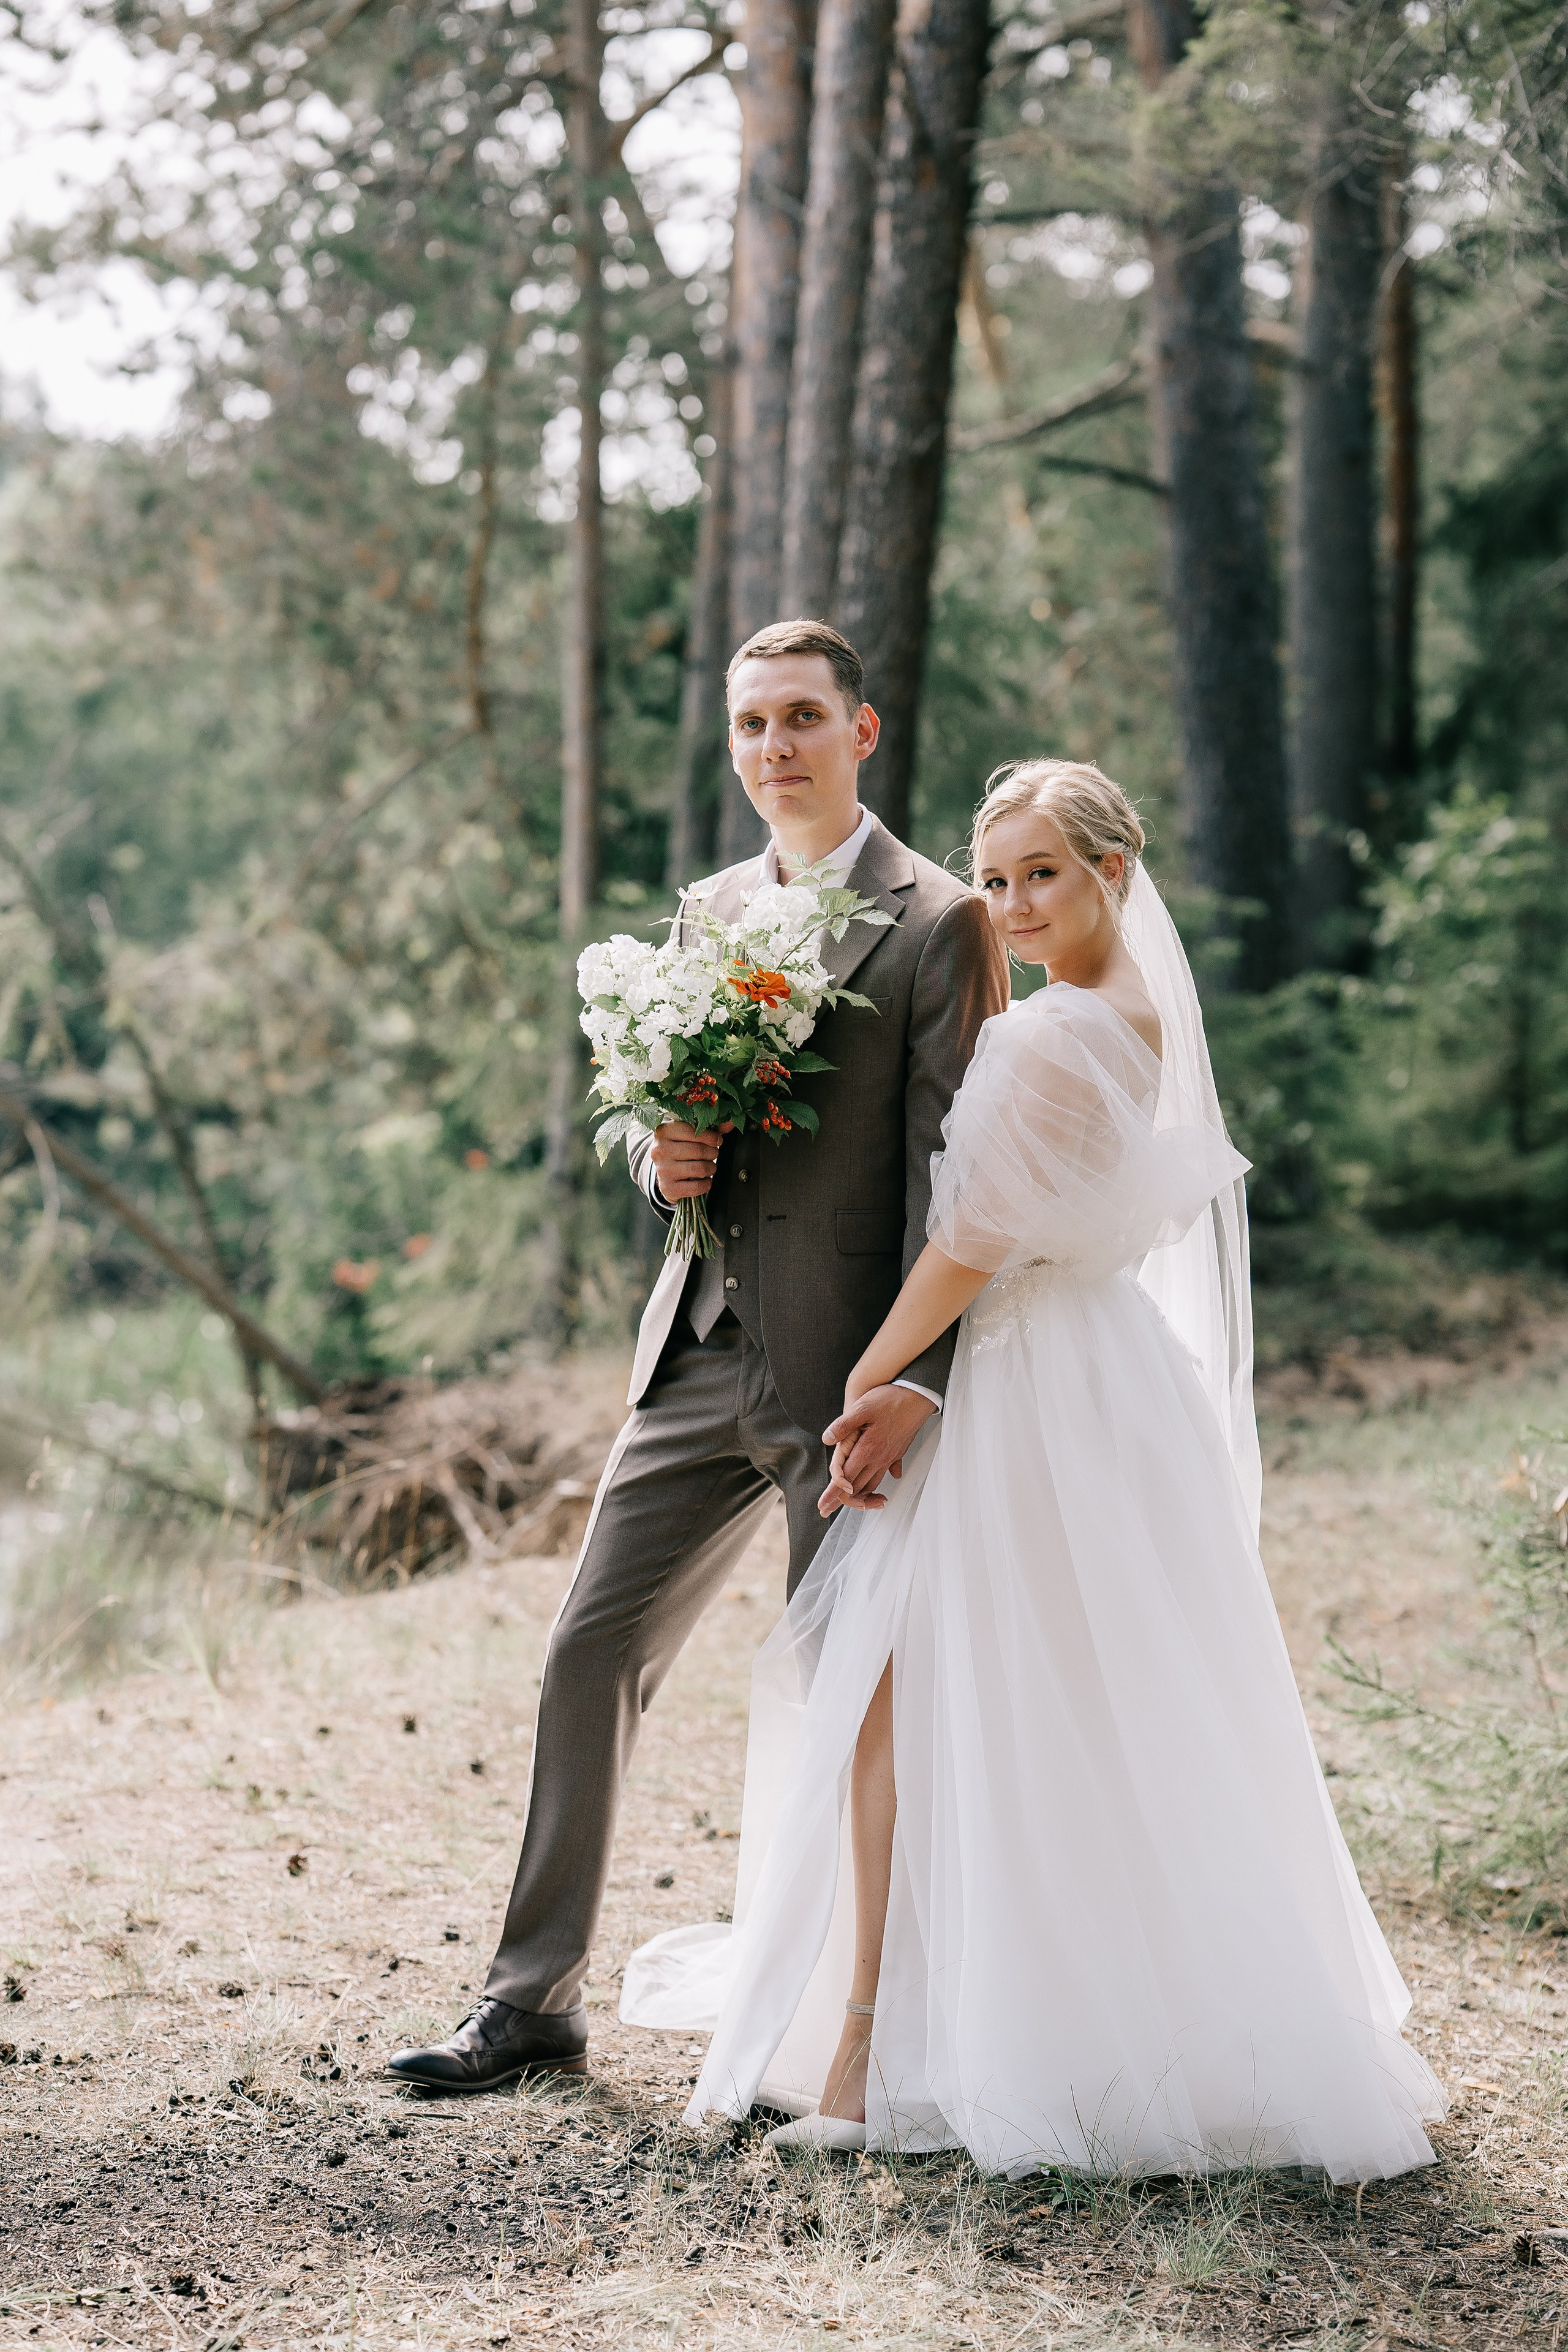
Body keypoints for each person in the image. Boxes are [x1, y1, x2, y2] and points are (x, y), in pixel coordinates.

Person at [620, 760, 1446, 2182]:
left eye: (1038, 875)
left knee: (904, 1694)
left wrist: (874, 1378)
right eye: (992, 878)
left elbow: (970, 1239)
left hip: (1019, 1386)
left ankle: (888, 2046)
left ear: (1111, 872)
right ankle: (1019, 2010)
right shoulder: (1129, 1018)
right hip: (1093, 1375)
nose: (1006, 904)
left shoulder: (1064, 1032)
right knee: (1068, 1701)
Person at [387, 620, 1008, 2093]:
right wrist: (659, 1167)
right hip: (693, 1354)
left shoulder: (938, 923)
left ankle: (840, 2031)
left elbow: (961, 1181)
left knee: (842, 1706)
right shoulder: (706, 911)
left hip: (848, 1385)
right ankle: (531, 2003)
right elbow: (673, 1136)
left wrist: (914, 1383)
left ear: (861, 733)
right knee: (585, 1651)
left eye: (801, 717)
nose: (773, 747)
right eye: (750, 725)